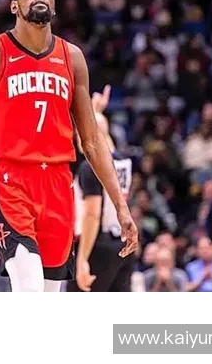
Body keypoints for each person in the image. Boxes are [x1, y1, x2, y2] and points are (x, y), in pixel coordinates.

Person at [0, 0, 138, 292]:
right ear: (14, 6)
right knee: (29, 288)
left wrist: (120, 205)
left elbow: (92, 140)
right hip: (10, 180)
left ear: (54, 4)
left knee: (50, 293)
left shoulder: (72, 57)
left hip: (58, 182)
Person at [68, 85, 135, 292]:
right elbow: (103, 138)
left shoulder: (90, 168)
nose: (78, 137)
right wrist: (95, 111)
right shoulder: (123, 161)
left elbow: (92, 214)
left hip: (97, 245)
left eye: (80, 132)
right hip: (122, 244)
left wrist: (82, 259)